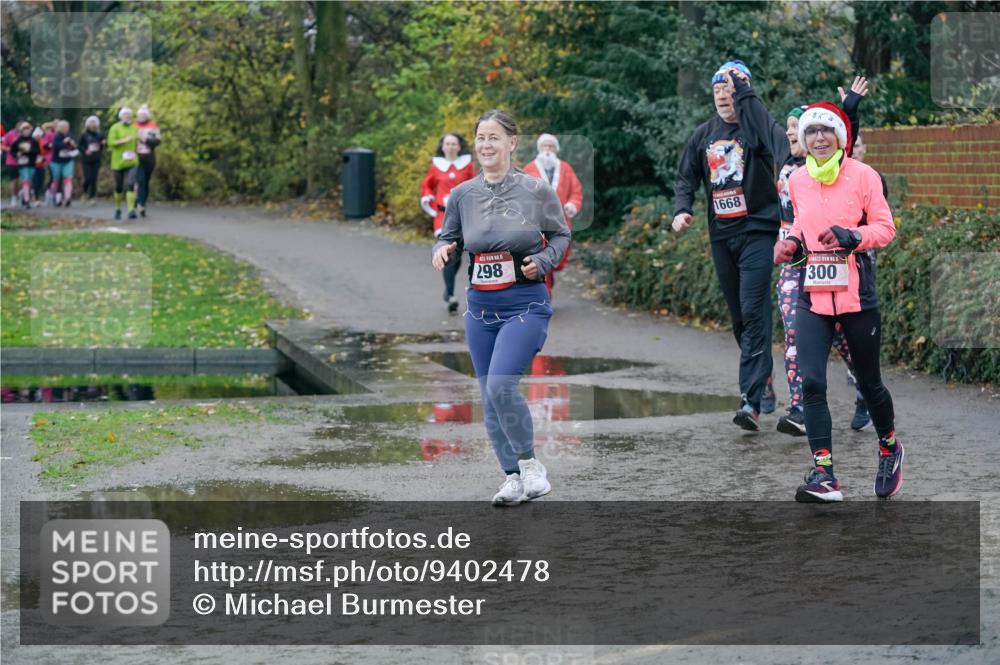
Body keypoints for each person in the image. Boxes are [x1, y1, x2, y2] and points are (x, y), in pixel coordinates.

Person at [431, 109, 570, 506]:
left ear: (512, 143)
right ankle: (512, 477)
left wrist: (542, 261)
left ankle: (531, 467)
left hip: (525, 303)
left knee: (500, 385)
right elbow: (448, 235)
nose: (486, 145)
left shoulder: (536, 190)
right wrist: (442, 249)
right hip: (480, 308)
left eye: (494, 137)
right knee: (488, 395)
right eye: (481, 138)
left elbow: (561, 236)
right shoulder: (463, 194)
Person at [773, 102, 902, 502]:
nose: (818, 138)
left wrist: (852, 236)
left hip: (856, 295)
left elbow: (885, 228)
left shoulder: (864, 176)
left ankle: (889, 448)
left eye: (826, 131)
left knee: (869, 382)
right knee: (811, 382)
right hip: (813, 294)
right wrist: (792, 242)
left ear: (840, 138)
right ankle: (824, 474)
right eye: (811, 132)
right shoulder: (798, 180)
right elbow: (801, 221)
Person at [672, 60, 783, 431]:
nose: (722, 95)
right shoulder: (703, 134)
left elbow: (779, 144)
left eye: (730, 89)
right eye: (717, 89)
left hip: (758, 231)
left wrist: (747, 95)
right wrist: (682, 209)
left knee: (752, 310)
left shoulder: (757, 130)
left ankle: (750, 400)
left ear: (744, 93)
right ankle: (762, 374)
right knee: (739, 317)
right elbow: (685, 177)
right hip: (721, 234)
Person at [774, 78, 873, 436]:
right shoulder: (788, 169)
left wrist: (849, 111)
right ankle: (800, 408)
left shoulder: (839, 168)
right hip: (795, 265)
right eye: (791, 128)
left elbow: (844, 139)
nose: (790, 133)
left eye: (795, 127)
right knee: (794, 335)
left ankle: (865, 390)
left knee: (845, 339)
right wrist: (786, 242)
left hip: (834, 264)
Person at [420, 133, 476, 313]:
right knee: (448, 253)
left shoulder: (467, 165)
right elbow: (427, 185)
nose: (450, 147)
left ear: (459, 147)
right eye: (447, 144)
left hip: (463, 216)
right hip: (443, 216)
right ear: (442, 146)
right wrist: (428, 196)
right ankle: (451, 295)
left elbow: (476, 185)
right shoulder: (436, 166)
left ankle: (448, 291)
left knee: (457, 254)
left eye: (454, 144)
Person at [521, 133, 583, 294]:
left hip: (561, 223)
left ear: (556, 149)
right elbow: (521, 194)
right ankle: (545, 295)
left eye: (551, 146)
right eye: (544, 146)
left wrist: (572, 205)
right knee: (542, 257)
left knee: (558, 257)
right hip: (537, 225)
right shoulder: (529, 169)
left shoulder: (566, 168)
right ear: (539, 148)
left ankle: (549, 273)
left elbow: (576, 191)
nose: (547, 149)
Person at [108, 106, 140, 220]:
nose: (127, 116)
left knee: (131, 184)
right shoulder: (115, 127)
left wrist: (137, 150)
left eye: (129, 114)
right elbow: (110, 143)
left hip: (132, 161)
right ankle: (118, 209)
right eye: (125, 115)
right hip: (118, 162)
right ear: (120, 117)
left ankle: (131, 210)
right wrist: (123, 140)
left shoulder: (134, 128)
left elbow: (137, 142)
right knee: (119, 187)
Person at [135, 104, 161, 217]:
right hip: (136, 157)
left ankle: (142, 203)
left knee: (145, 181)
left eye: (144, 115)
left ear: (147, 116)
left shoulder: (153, 126)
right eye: (140, 115)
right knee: (140, 180)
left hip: (149, 157)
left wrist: (145, 140)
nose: (142, 116)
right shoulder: (133, 125)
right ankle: (139, 203)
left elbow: (157, 141)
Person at [49, 120, 78, 207]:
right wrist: (65, 143)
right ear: (59, 128)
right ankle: (56, 197)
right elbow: (56, 146)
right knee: (56, 180)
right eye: (62, 127)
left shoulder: (70, 136)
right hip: (56, 161)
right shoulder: (56, 136)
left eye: (66, 127)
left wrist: (73, 145)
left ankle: (67, 198)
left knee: (68, 178)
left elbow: (75, 147)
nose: (65, 129)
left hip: (68, 160)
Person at [78, 116, 105, 202]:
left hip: (96, 159)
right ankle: (85, 192)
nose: (93, 124)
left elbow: (101, 147)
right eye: (91, 122)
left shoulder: (100, 135)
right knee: (88, 178)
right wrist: (85, 151)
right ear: (87, 124)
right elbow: (79, 146)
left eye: (94, 122)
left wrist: (102, 144)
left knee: (94, 178)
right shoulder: (84, 135)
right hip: (86, 160)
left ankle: (92, 196)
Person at [12, 122, 39, 209]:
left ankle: (24, 195)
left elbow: (37, 151)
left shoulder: (33, 141)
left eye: (28, 129)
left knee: (29, 181)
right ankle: (27, 201)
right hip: (22, 164)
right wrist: (17, 154)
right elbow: (13, 151)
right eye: (24, 129)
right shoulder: (17, 141)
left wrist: (29, 150)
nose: (26, 131)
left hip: (31, 163)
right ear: (21, 131)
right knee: (26, 180)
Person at [3, 122, 24, 207]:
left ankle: (21, 194)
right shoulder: (10, 134)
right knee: (14, 181)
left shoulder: (25, 135)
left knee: (22, 180)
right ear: (17, 126)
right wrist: (11, 150)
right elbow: (2, 146)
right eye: (21, 126)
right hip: (12, 161)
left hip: (23, 161)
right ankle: (13, 198)